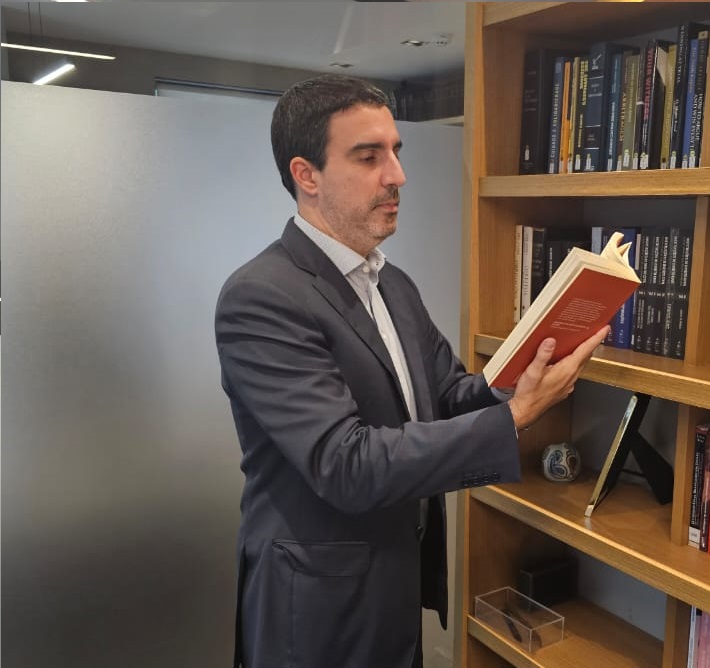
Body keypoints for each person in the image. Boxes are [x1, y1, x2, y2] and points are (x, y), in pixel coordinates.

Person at [214, 73, 608, 668]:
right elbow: (345, 464)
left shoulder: (392, 283)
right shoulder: (261, 297)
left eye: (396, 153)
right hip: (315, 607)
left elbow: (446, 395)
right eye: (369, 157)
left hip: (395, 581)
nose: (397, 175)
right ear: (306, 175)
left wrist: (514, 379)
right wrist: (518, 416)